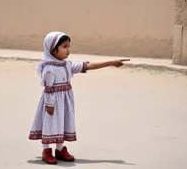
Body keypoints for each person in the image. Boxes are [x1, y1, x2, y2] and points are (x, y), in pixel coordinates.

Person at [28, 31, 130, 165]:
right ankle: (46, 151)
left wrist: (111, 62)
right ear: (52, 49)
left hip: (64, 101)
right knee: (50, 123)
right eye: (64, 47)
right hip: (52, 102)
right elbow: (48, 90)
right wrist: (49, 105)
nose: (68, 50)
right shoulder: (48, 67)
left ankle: (59, 149)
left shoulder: (67, 65)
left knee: (62, 122)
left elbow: (87, 65)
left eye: (68, 46)